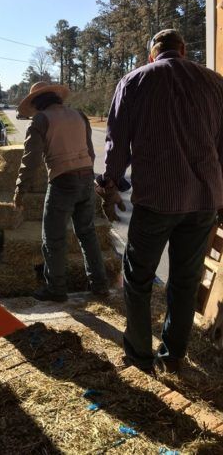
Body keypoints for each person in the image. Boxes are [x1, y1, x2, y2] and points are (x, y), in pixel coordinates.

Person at [96, 29, 223, 373]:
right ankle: (174, 356)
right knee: (185, 280)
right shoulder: (215, 83)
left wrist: (109, 185)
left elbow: (117, 139)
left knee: (138, 279)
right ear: (183, 50)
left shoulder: (135, 80)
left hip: (158, 200)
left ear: (153, 54)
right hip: (203, 200)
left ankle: (139, 355)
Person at [13, 81, 109, 303]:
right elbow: (90, 151)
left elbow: (31, 159)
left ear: (37, 103)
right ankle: (100, 284)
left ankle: (56, 288)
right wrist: (85, 175)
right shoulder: (78, 115)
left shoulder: (41, 119)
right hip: (86, 176)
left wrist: (20, 189)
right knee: (87, 234)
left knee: (54, 237)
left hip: (62, 180)